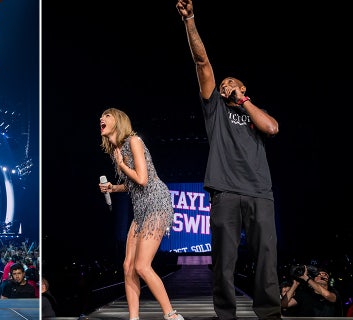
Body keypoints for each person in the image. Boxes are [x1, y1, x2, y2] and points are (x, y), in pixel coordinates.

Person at [175, 1, 281, 319]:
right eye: (224, 86)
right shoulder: (216, 111)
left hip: (259, 192)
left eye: (232, 84)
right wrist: (190, 20)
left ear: (243, 88)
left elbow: (272, 128)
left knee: (266, 257)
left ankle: (269, 312)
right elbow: (203, 63)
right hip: (225, 192)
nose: (226, 87)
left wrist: (244, 101)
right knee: (224, 260)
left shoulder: (252, 112)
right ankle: (225, 314)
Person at [97, 108, 183, 320]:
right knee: (128, 266)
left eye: (107, 116)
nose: (101, 118)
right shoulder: (116, 150)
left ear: (119, 121)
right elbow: (132, 185)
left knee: (142, 266)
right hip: (141, 209)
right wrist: (112, 188)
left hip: (156, 203)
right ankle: (133, 317)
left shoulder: (133, 141)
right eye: (101, 116)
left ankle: (171, 314)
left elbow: (143, 179)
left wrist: (121, 165)